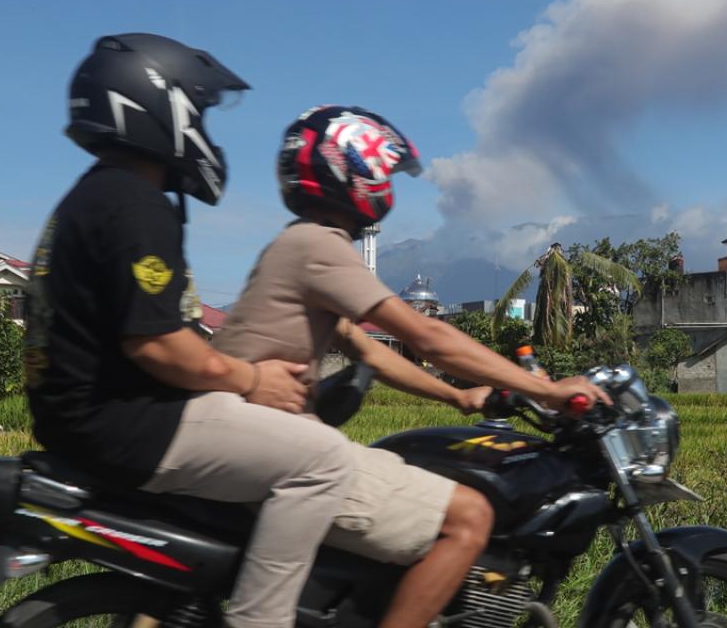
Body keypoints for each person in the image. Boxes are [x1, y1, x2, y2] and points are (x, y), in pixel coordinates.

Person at [211, 104, 610, 628]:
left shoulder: (294, 244)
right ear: (352, 171)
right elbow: (426, 335)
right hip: (278, 448)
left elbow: (373, 353)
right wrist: (549, 390)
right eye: (380, 172)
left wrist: (459, 397)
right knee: (470, 518)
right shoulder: (318, 245)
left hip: (257, 443)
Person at [24, 34, 358, 628]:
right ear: (159, 108)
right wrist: (252, 379)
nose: (205, 129)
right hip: (124, 422)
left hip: (83, 415)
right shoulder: (134, 203)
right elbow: (157, 344)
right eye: (199, 112)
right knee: (324, 460)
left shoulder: (97, 194)